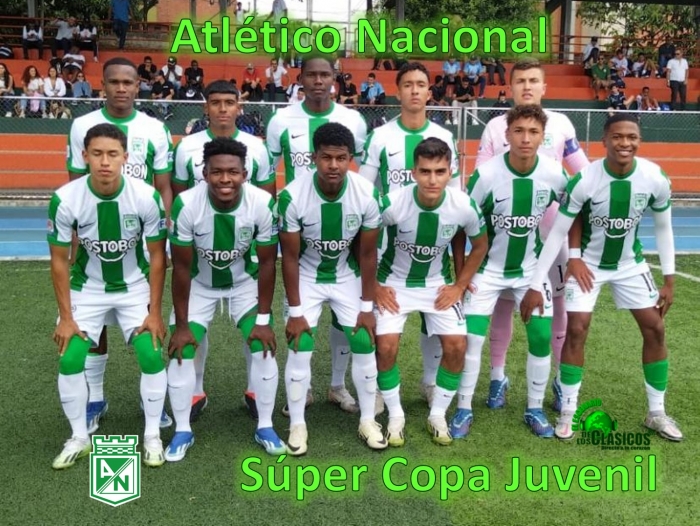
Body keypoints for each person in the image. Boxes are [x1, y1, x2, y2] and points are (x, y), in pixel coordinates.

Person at [520, 113, 683, 443]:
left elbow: (664, 229)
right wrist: (544, 279)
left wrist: (669, 279)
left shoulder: (655, 178)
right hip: (588, 266)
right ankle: (567, 413)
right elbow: (559, 232)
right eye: (618, 137)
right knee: (577, 329)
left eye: (631, 137)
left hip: (630, 264)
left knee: (655, 327)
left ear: (639, 140)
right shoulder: (585, 180)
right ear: (605, 141)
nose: (625, 143)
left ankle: (656, 413)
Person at [48, 123, 168, 469]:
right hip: (87, 288)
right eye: (97, 154)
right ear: (84, 155)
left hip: (133, 287)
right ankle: (78, 438)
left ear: (125, 157)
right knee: (70, 357)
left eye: (112, 154)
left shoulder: (145, 196)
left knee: (151, 354)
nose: (104, 162)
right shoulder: (65, 199)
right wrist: (66, 318)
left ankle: (152, 437)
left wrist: (155, 313)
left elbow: (157, 257)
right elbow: (59, 261)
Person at [474, 58, 590, 414]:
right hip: (507, 236)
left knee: (556, 307)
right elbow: (482, 176)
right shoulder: (496, 127)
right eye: (520, 80)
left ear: (544, 87)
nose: (527, 86)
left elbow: (583, 174)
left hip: (553, 239)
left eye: (533, 80)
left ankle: (558, 379)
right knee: (502, 306)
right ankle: (498, 377)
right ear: (510, 87)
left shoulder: (562, 124)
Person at [67, 57, 174, 434]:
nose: (122, 88)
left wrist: (163, 233)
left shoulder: (155, 129)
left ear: (138, 84)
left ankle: (152, 401)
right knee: (94, 324)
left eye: (128, 82)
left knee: (147, 325)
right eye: (114, 82)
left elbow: (164, 186)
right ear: (103, 84)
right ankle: (95, 397)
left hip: (141, 242)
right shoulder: (82, 126)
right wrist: (76, 243)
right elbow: (74, 187)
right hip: (96, 243)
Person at [451, 105, 569, 439]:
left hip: (531, 270)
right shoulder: (487, 176)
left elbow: (574, 213)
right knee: (472, 338)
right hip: (486, 271)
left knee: (541, 336)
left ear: (542, 137)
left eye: (533, 132)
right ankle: (463, 408)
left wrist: (569, 259)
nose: (525, 139)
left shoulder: (555, 174)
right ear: (507, 135)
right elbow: (462, 224)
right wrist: (461, 277)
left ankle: (534, 408)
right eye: (519, 131)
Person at [166, 137, 284, 460]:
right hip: (199, 284)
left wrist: (263, 320)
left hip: (244, 283)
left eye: (232, 172)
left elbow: (268, 263)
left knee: (263, 347)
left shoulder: (262, 203)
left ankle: (265, 425)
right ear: (205, 174)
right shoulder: (186, 205)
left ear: (244, 174)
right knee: (181, 351)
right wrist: (181, 326)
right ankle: (181, 430)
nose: (225, 179)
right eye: (217, 172)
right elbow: (181, 268)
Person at [267, 55, 368, 416]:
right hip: (300, 227)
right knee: (300, 322)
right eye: (312, 75)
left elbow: (362, 174)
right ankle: (303, 389)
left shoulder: (353, 121)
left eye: (325, 74)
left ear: (334, 78)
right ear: (301, 78)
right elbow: (269, 173)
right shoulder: (281, 120)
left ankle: (337, 386)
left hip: (344, 229)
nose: (318, 81)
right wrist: (273, 217)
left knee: (345, 318)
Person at [277, 122, 386, 455]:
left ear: (351, 158)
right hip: (307, 275)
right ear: (314, 158)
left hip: (345, 274)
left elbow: (367, 254)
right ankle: (298, 425)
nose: (334, 165)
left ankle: (368, 420)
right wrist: (296, 312)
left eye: (341, 158)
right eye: (326, 158)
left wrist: (367, 307)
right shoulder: (292, 196)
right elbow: (289, 258)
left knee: (364, 340)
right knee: (300, 343)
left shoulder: (367, 194)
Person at [360, 62, 462, 410]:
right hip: (389, 251)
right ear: (398, 91)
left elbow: (456, 197)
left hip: (433, 250)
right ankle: (378, 389)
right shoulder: (380, 137)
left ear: (429, 92)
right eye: (408, 84)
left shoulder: (444, 137)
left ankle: (430, 382)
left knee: (434, 316)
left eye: (421, 84)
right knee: (383, 327)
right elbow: (364, 192)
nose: (415, 90)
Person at [172, 80, 276, 418]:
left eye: (229, 102)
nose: (222, 109)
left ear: (238, 107)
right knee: (192, 330)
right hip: (201, 252)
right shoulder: (187, 147)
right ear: (206, 107)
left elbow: (266, 199)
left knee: (256, 333)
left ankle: (255, 391)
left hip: (243, 257)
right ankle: (195, 393)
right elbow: (179, 195)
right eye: (215, 102)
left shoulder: (256, 148)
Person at [375, 136, 486, 446]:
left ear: (450, 172)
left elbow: (480, 245)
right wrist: (374, 286)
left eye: (439, 172)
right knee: (385, 347)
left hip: (437, 284)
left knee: (457, 346)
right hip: (394, 283)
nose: (432, 179)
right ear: (413, 172)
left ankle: (437, 415)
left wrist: (459, 285)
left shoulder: (463, 206)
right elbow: (362, 239)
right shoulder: (392, 204)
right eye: (425, 171)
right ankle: (396, 415)